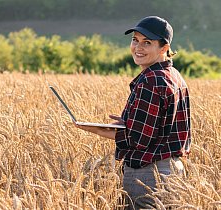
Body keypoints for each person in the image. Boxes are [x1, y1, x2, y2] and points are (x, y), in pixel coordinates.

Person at [74, 16, 191, 209]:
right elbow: (161, 126)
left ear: (164, 48)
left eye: (147, 43)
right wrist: (129, 121)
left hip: (147, 175)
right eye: (135, 40)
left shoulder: (150, 80)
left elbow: (138, 140)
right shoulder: (174, 76)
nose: (138, 47)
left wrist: (91, 128)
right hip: (171, 171)